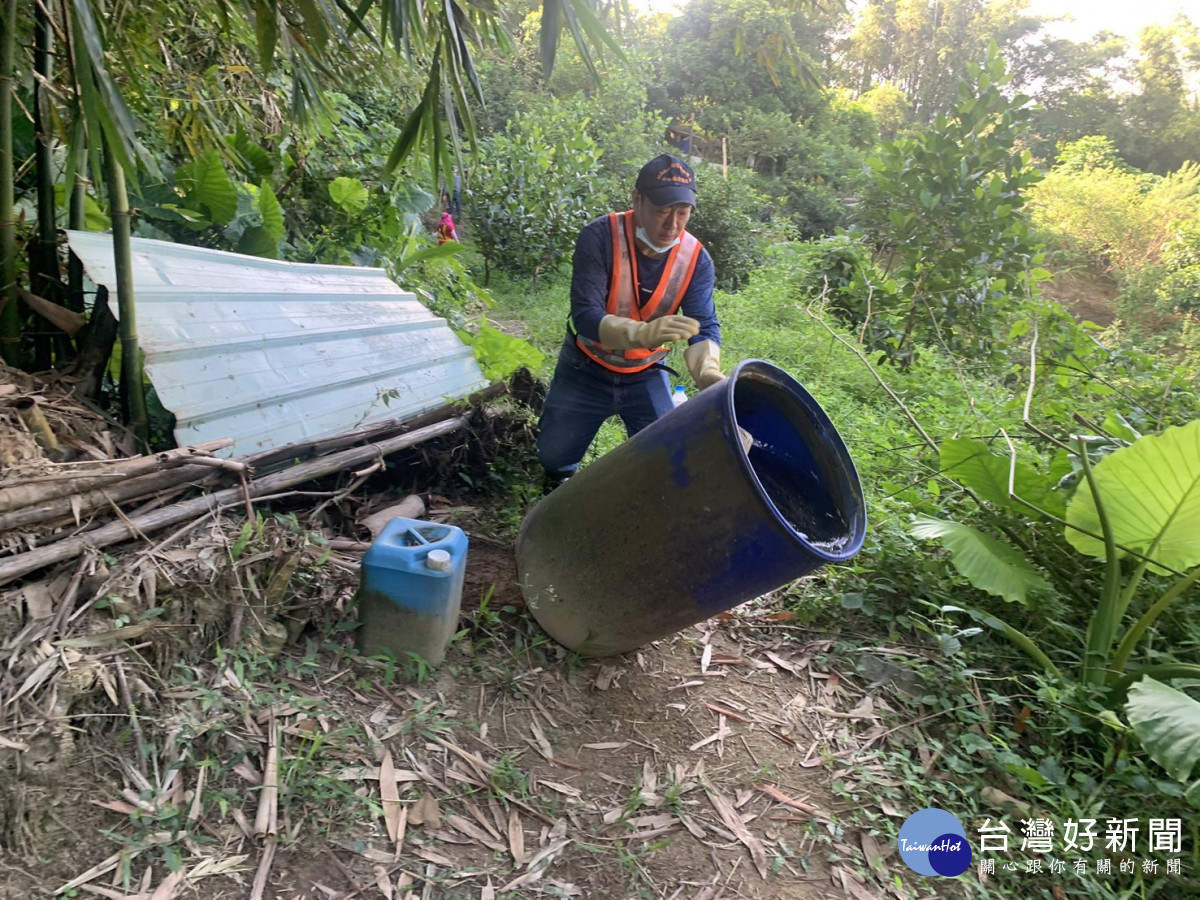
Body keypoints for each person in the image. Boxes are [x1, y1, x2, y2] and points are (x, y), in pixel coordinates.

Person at [536, 153, 725, 488]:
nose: (672, 225)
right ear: (636, 199)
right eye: (662, 211)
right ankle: (560, 481)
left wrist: (709, 373)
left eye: (682, 213)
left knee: (664, 455)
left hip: (646, 374)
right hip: (586, 367)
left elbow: (704, 326)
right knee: (554, 455)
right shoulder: (599, 238)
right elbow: (586, 315)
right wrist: (642, 333)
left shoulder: (696, 258)